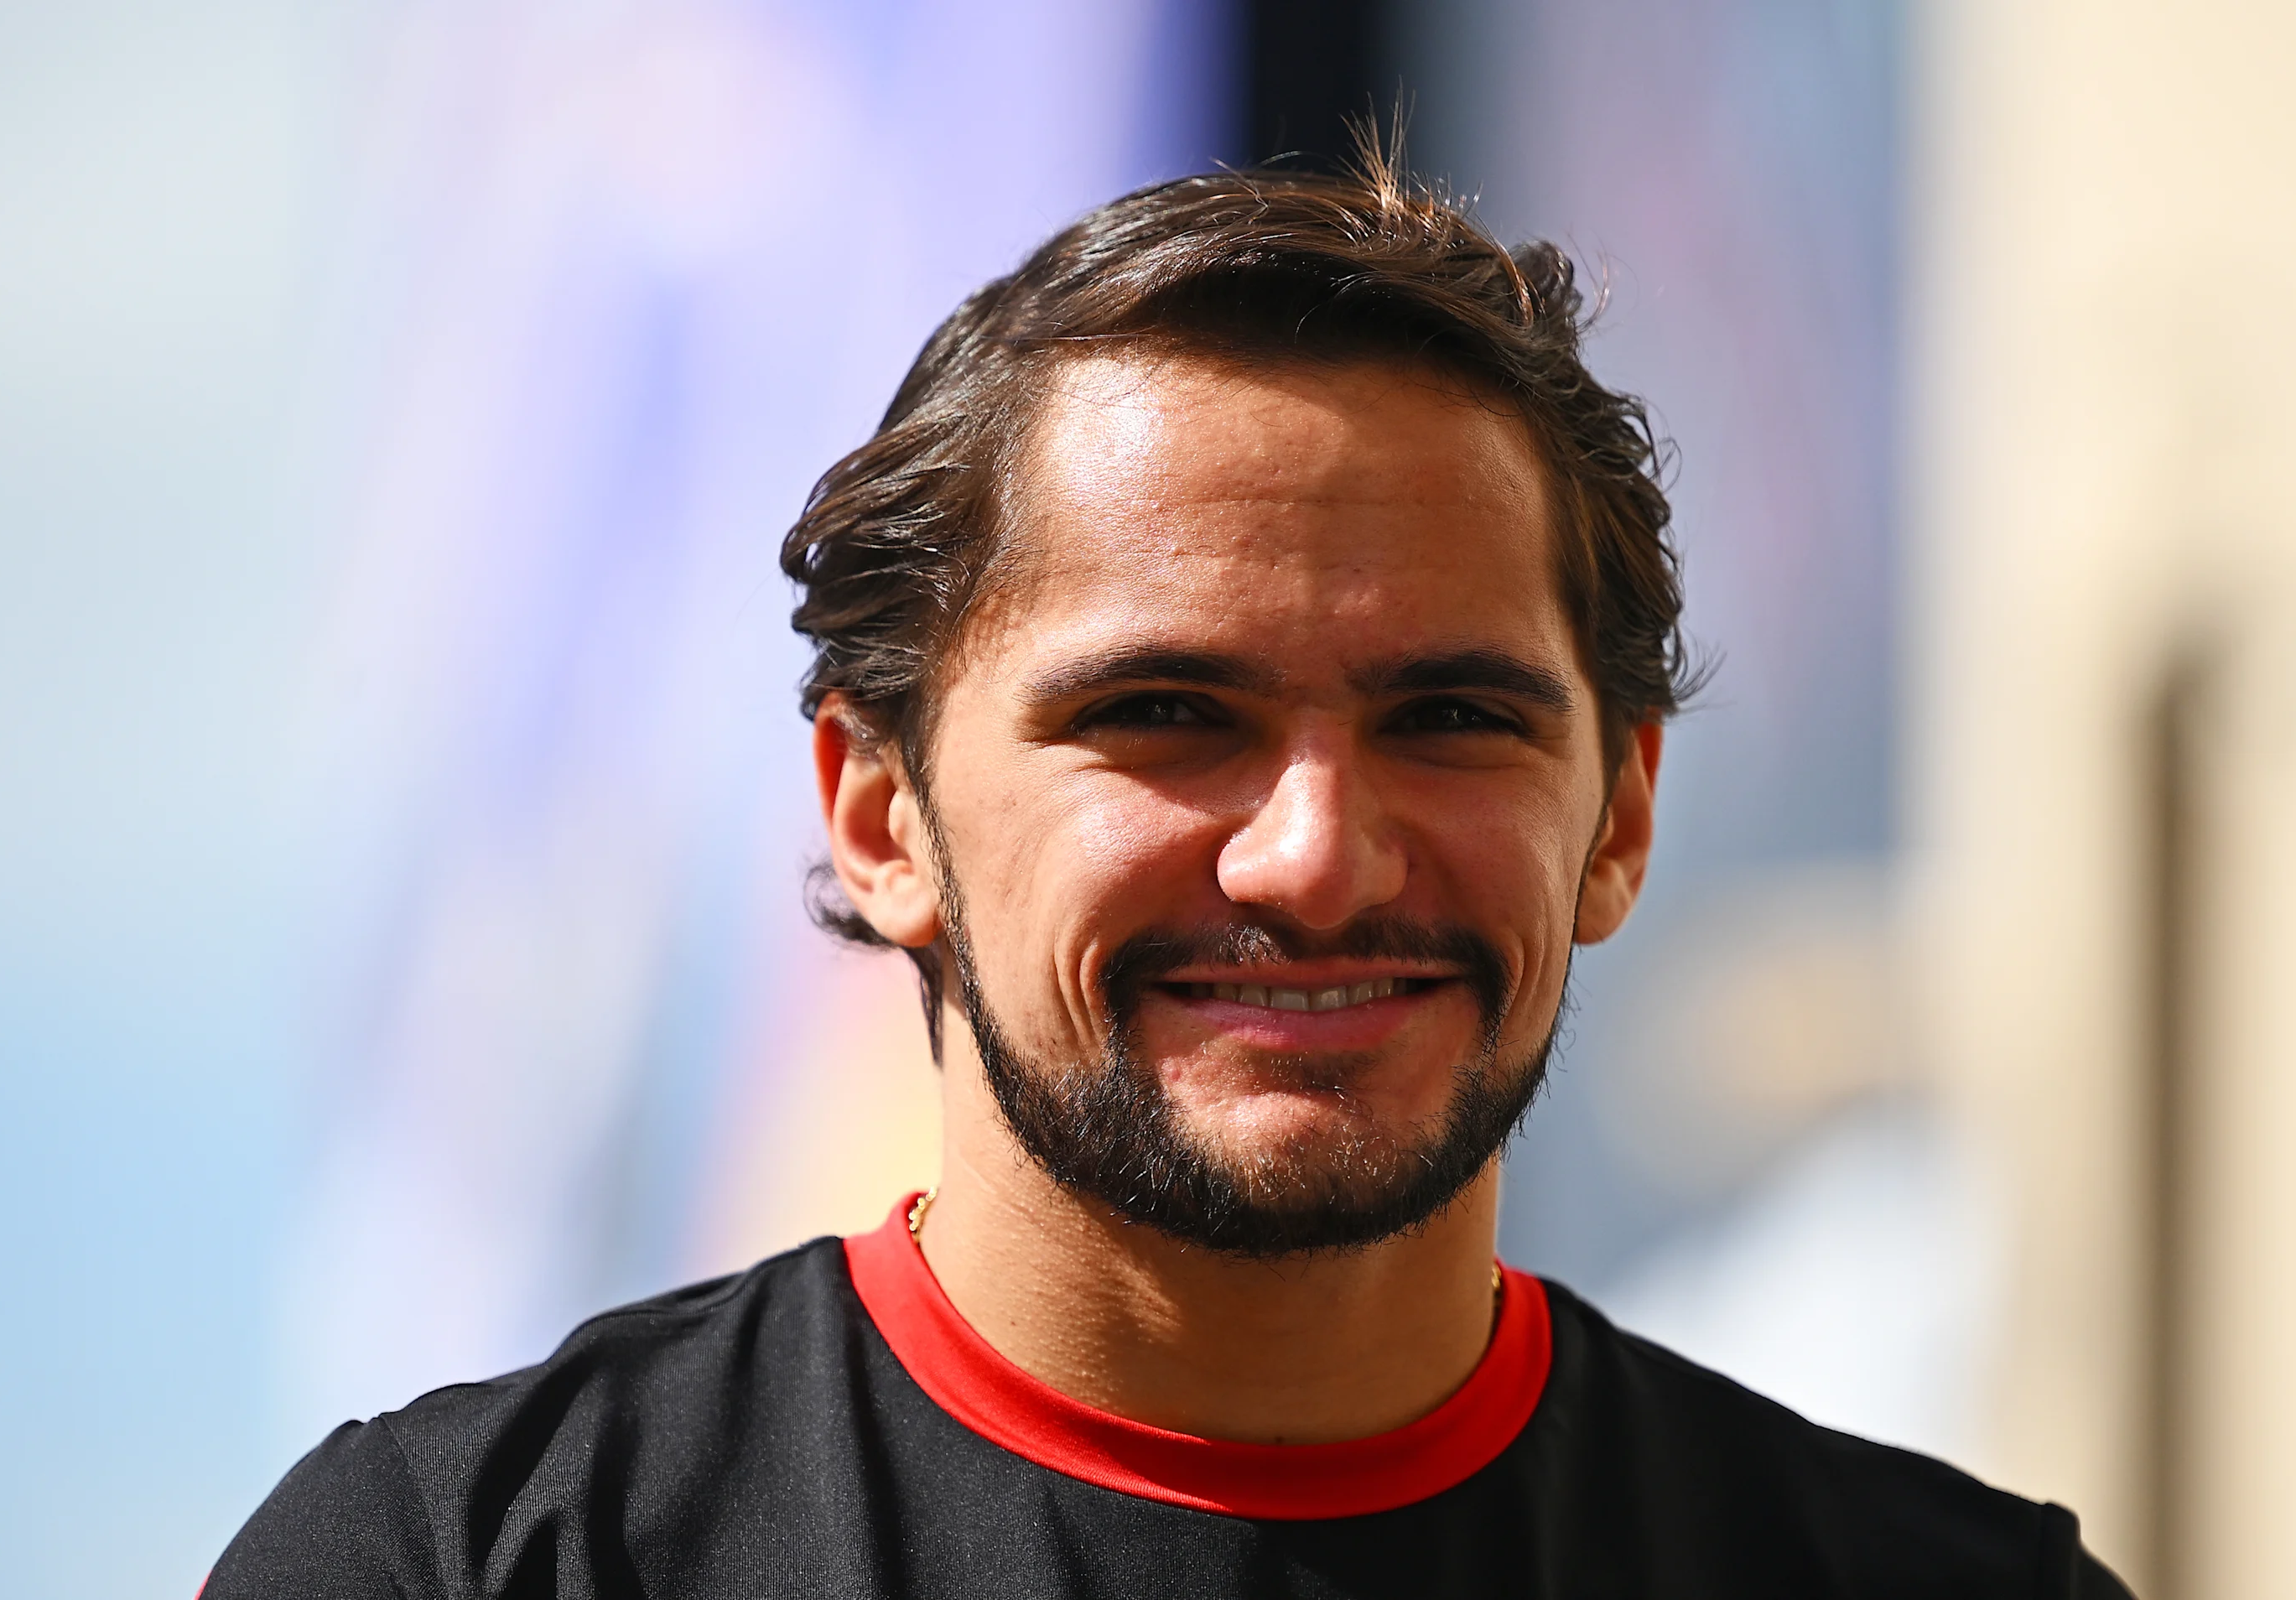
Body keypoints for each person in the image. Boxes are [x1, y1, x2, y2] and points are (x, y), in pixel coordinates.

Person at [208, 156, 2133, 1598]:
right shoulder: (473, 1570)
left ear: (1618, 816)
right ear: (882, 820)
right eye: (1161, 711)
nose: (1314, 856)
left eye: (1453, 716)